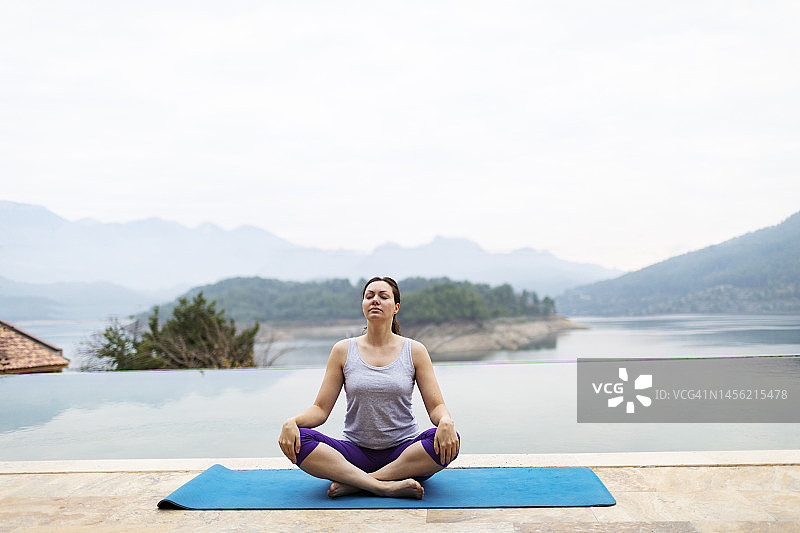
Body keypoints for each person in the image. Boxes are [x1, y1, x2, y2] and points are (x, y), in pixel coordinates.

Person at [278, 276, 460, 499]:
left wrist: (445, 421)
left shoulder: (415, 350)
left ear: (396, 307)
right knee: (301, 439)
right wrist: (292, 422)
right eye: (369, 296)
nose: (375, 300)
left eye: (383, 296)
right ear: (363, 305)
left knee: (448, 440)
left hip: (404, 454)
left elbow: (436, 406)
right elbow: (320, 409)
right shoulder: (343, 350)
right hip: (353, 452)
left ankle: (357, 483)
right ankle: (385, 486)